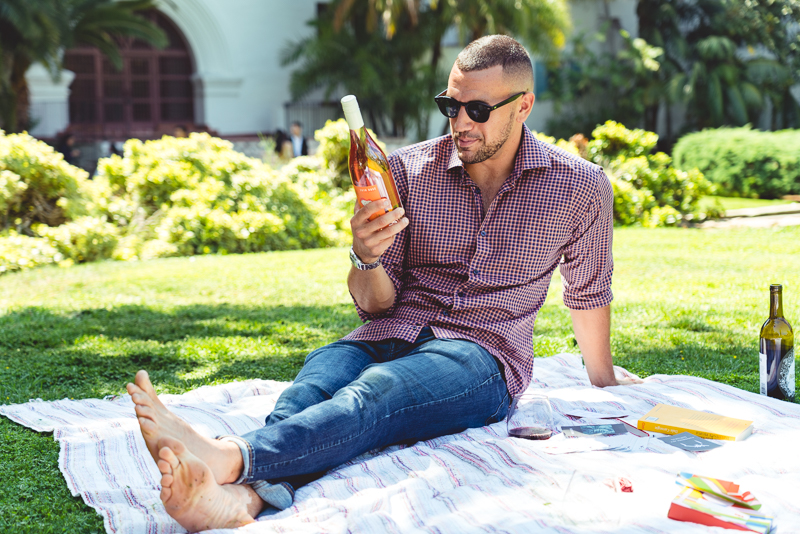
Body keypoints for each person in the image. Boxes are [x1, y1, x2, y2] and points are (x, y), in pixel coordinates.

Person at [127, 34, 639, 531]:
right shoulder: (404, 170)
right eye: (450, 105)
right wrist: (366, 256)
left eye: (477, 110)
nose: (461, 122)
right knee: (316, 382)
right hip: (389, 330)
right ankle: (240, 498)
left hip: (480, 355)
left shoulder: (579, 186)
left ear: (523, 106)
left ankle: (229, 455)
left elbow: (588, 288)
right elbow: (375, 305)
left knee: (376, 395)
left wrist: (602, 374)